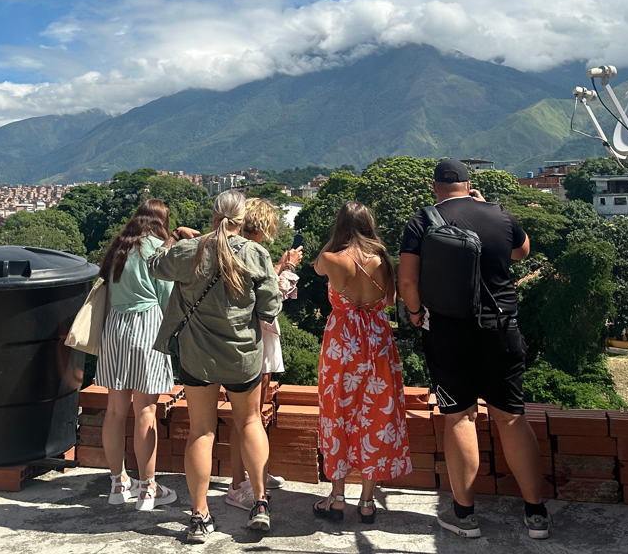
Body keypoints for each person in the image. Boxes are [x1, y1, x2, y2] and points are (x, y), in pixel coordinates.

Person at [398, 159, 549, 540]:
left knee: (460, 418)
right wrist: (486, 206)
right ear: (469, 184)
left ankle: (465, 515)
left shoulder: (422, 220)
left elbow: (408, 280)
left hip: (448, 331)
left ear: (435, 187)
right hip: (500, 329)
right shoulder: (498, 214)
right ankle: (536, 515)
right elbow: (522, 251)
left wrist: (416, 314)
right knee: (511, 417)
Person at [148, 190, 283, 542]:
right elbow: (270, 308)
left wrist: (176, 236)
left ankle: (199, 515)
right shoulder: (256, 253)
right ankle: (260, 503)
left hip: (197, 356)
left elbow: (154, 265)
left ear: (213, 215)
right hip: (243, 356)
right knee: (250, 422)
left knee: (201, 431)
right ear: (242, 218)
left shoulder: (190, 251)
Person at [312, 201, 413, 524]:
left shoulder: (331, 258)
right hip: (378, 340)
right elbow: (391, 300)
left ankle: (337, 496)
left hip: (343, 342)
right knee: (376, 415)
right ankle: (367, 501)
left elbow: (315, 267)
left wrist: (334, 240)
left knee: (336, 413)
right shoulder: (383, 260)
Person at [96, 200, 178, 511]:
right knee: (146, 411)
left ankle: (118, 483)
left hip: (116, 327)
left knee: (115, 409)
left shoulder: (120, 247)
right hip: (148, 326)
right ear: (160, 221)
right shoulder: (157, 248)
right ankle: (148, 488)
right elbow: (167, 296)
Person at [224, 197, 303, 511]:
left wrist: (281, 266)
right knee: (246, 416)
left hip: (245, 338)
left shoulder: (233, 249)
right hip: (256, 337)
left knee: (251, 413)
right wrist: (289, 270)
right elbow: (268, 303)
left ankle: (255, 471)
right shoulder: (253, 252)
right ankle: (238, 483)